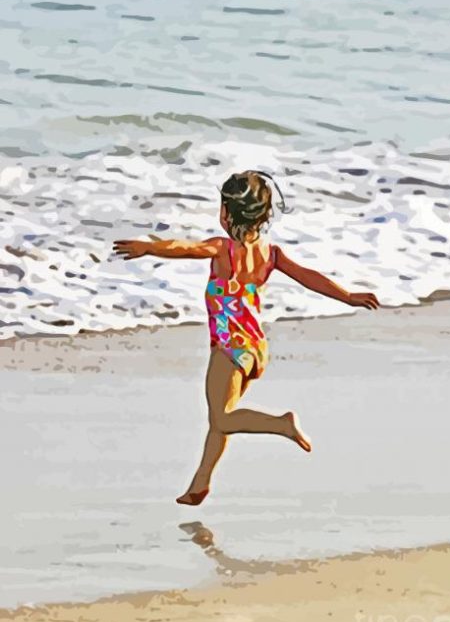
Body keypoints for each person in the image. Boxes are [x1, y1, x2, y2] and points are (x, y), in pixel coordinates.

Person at [113, 170, 379, 505]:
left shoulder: (224, 250)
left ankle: (282, 424)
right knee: (223, 418)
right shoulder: (270, 254)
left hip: (229, 348)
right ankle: (200, 484)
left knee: (221, 417)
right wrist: (348, 296)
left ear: (226, 212)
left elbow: (188, 248)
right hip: (255, 347)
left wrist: (150, 248)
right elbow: (309, 277)